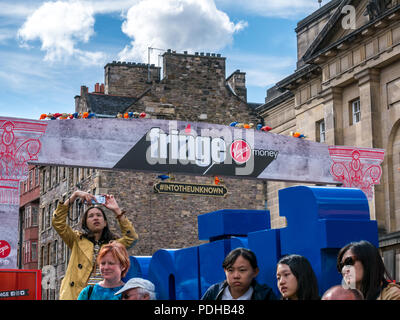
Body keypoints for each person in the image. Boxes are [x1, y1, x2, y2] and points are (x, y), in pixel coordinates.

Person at [52, 190, 138, 300]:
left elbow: (132, 238)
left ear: (105, 222)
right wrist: (75, 195)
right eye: (91, 216)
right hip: (77, 295)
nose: (95, 218)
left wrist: (116, 210)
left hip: (103, 295)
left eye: (99, 215)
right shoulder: (77, 240)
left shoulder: (113, 245)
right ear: (85, 223)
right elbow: (57, 222)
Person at [201, 247, 277, 300]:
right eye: (230, 270)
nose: (236, 276)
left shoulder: (265, 295)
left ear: (255, 272)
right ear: (225, 271)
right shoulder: (214, 292)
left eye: (242, 270)